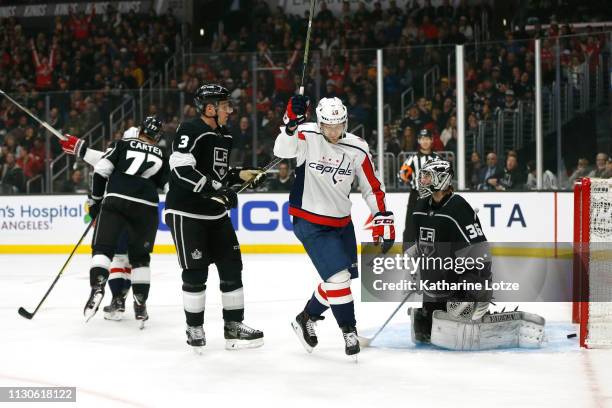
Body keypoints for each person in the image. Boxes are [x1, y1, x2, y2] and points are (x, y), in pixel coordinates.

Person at [274, 95, 395, 357]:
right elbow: (281, 151)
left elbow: (372, 187)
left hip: (341, 222)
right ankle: (348, 330)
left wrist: (382, 216)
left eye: (339, 126)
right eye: (328, 126)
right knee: (338, 279)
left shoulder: (358, 147)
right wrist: (291, 123)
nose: (333, 132)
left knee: (340, 281)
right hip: (309, 220)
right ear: (319, 123)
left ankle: (306, 317)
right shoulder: (306, 135)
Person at [163, 84, 266, 352]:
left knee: (232, 267)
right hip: (187, 211)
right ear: (210, 109)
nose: (230, 110)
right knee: (195, 273)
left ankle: (233, 327)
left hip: (214, 211)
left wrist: (240, 174)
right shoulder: (190, 130)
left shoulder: (224, 136)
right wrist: (218, 190)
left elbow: (218, 172)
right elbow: (181, 171)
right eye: (224, 106)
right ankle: (194, 327)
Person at [407, 159, 544, 350]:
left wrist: (480, 292)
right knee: (424, 331)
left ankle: (483, 317)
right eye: (422, 176)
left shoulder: (458, 208)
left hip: (456, 290)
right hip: (432, 290)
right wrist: (415, 271)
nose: (422, 181)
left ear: (442, 179)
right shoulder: (420, 208)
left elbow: (480, 253)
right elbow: (419, 246)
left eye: (427, 176)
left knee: (457, 326)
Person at [60, 117, 164, 321]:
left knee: (115, 256)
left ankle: (116, 299)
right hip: (144, 209)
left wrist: (81, 149)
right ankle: (137, 301)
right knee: (135, 259)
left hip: (117, 205)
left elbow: (101, 162)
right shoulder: (158, 154)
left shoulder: (123, 146)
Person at [398, 128, 440, 246]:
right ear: (418, 141)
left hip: (433, 196)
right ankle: (408, 254)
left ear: (431, 140)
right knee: (411, 225)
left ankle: (435, 253)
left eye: (427, 139)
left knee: (434, 225)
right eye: (422, 139)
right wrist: (404, 177)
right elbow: (400, 175)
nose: (425, 141)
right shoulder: (412, 159)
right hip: (416, 196)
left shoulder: (437, 159)